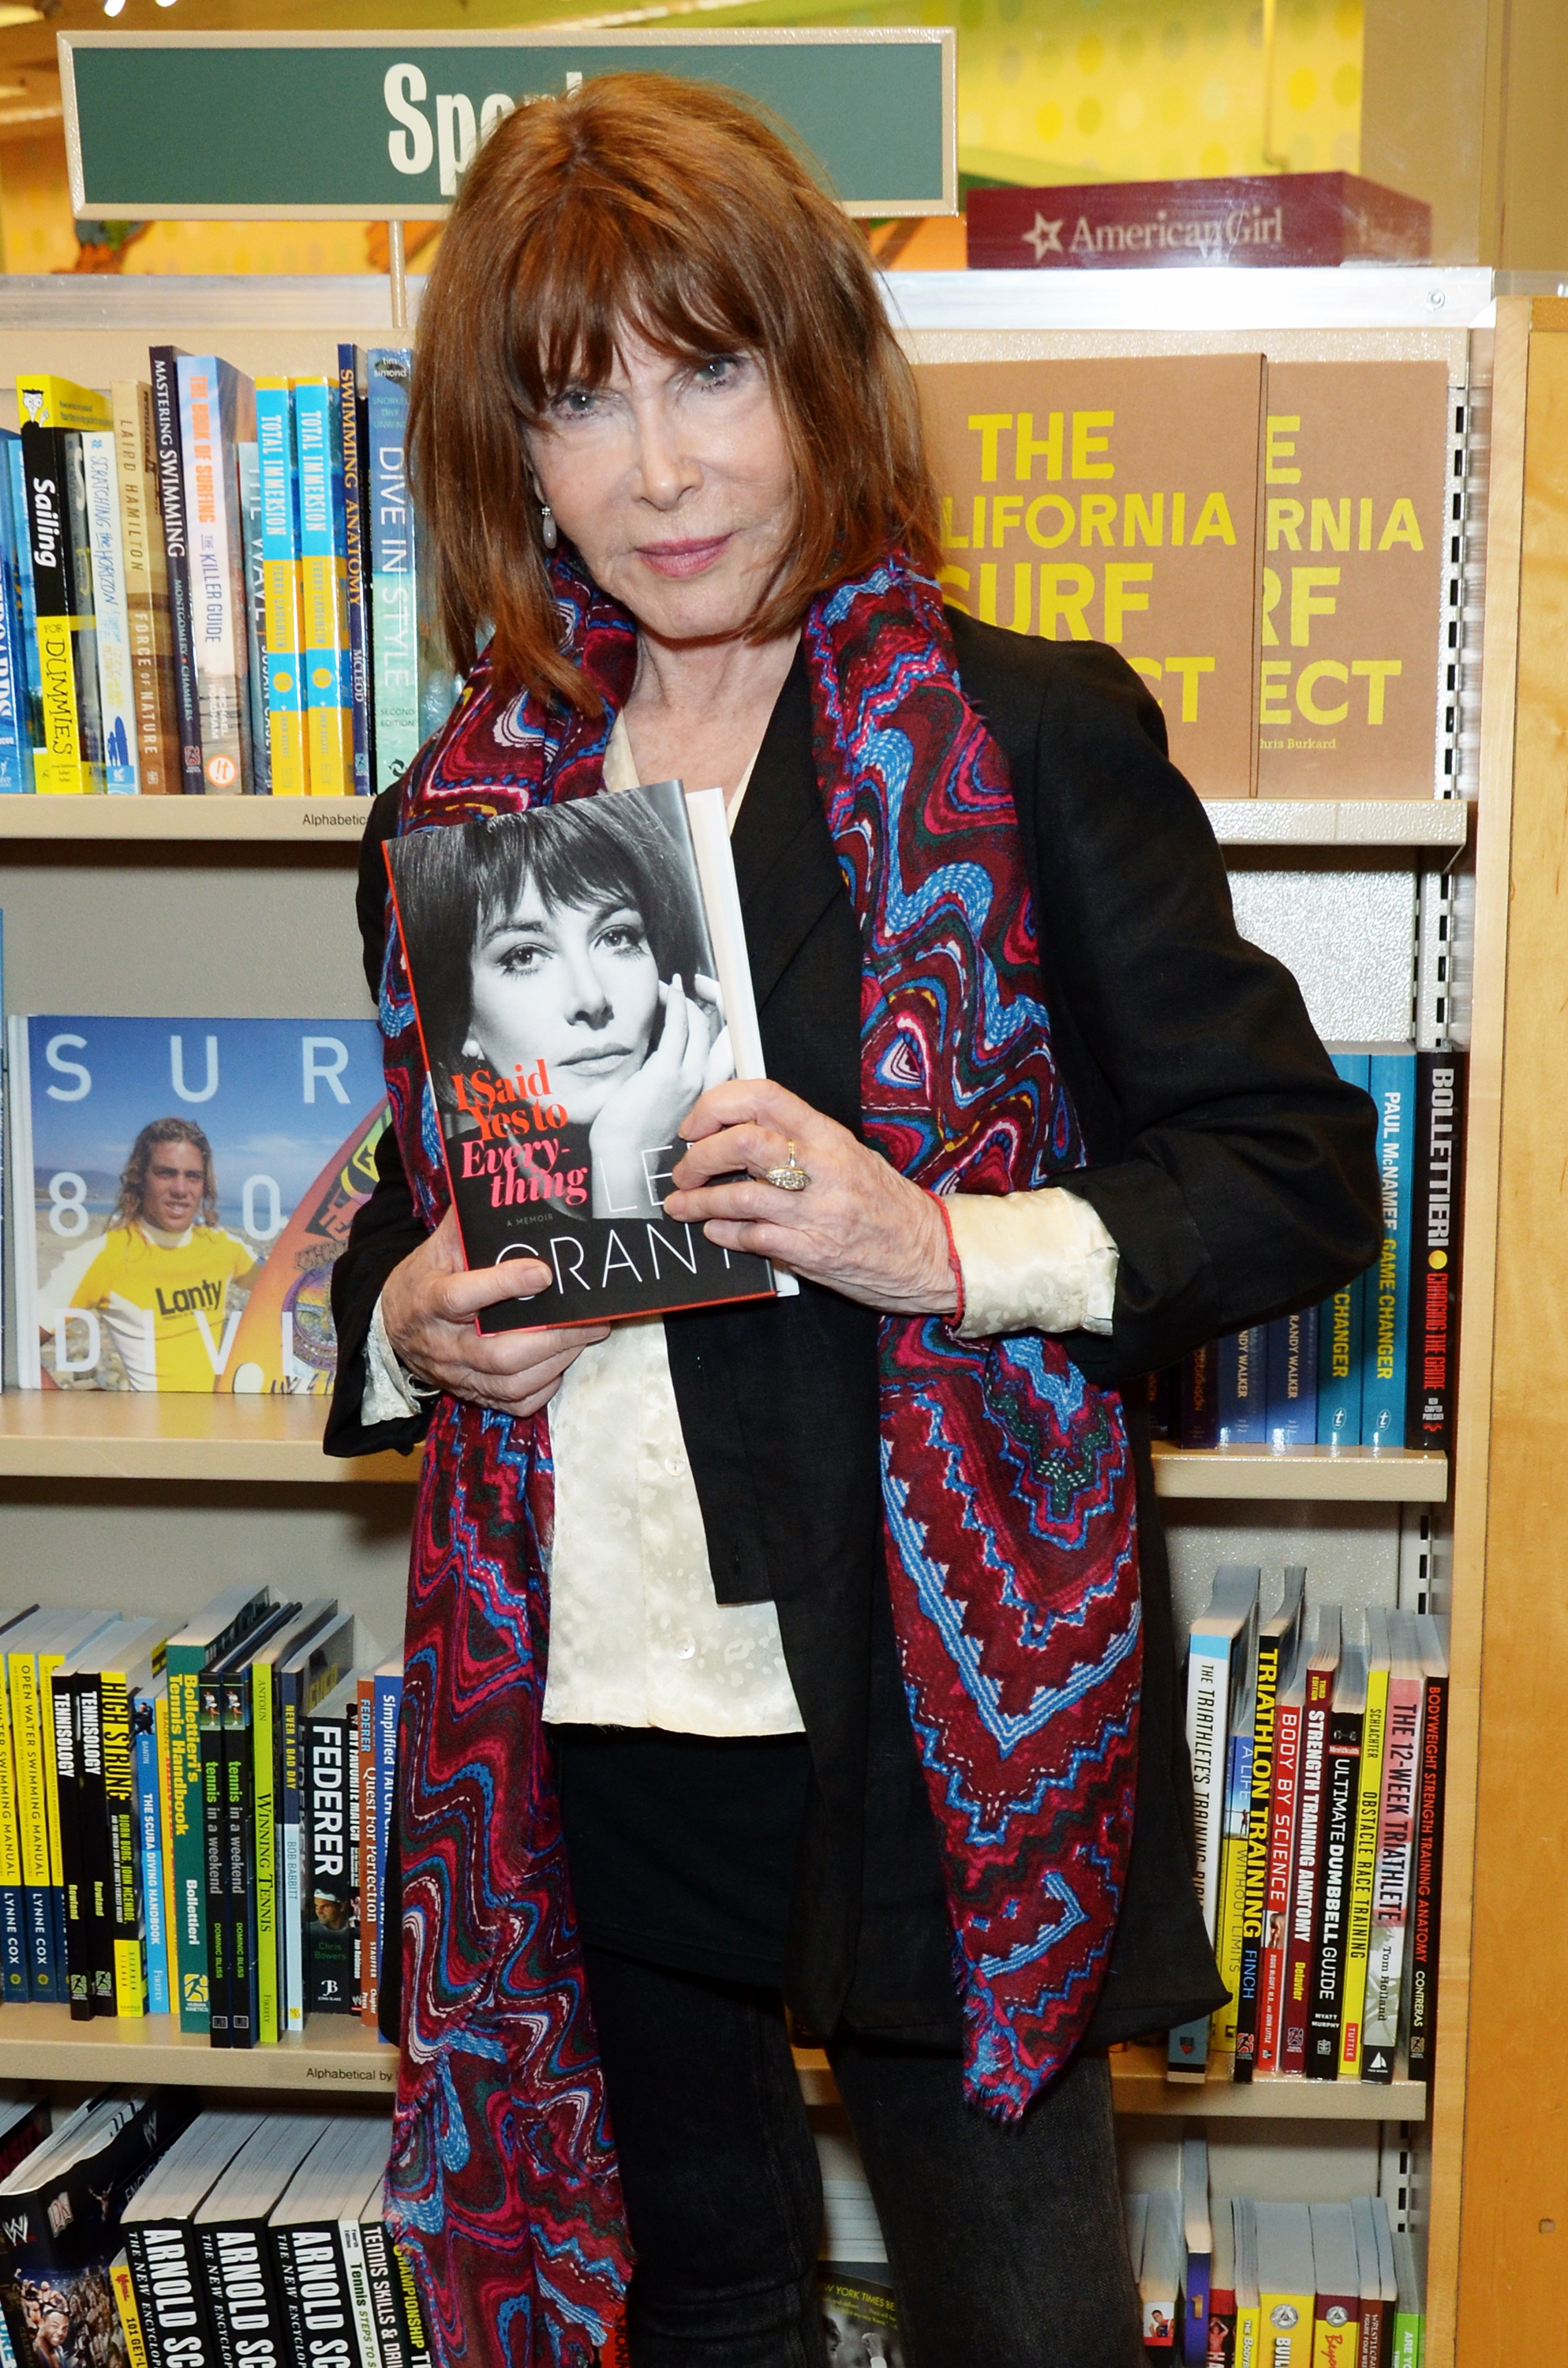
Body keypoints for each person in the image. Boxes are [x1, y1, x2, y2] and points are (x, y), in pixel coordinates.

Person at [325, 73, 1381, 2368]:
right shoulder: (468, 807)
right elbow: (402, 1229)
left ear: (815, 373)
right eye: (578, 402)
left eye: (709, 370)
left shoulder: (1011, 742)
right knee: (699, 2306)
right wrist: (407, 1316)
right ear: (510, 461)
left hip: (926, 1737)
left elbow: (1298, 1172)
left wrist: (944, 1237)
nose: (664, 469)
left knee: (1019, 2326)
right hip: (584, 1726)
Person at [390, 792, 730, 1220]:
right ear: (463, 1018)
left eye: (616, 937)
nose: (591, 999)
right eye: (524, 956)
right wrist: (625, 1161)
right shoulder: (437, 1203)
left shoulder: (735, 1165)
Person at [45, 1118, 255, 1391]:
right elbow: (14, 1345)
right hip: (155, 1431)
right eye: (166, 1173)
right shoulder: (105, 1255)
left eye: (193, 1176)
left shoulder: (224, 1246)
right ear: (140, 1179)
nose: (181, 1189)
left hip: (220, 1429)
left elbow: (290, 1290)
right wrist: (65, 1417)